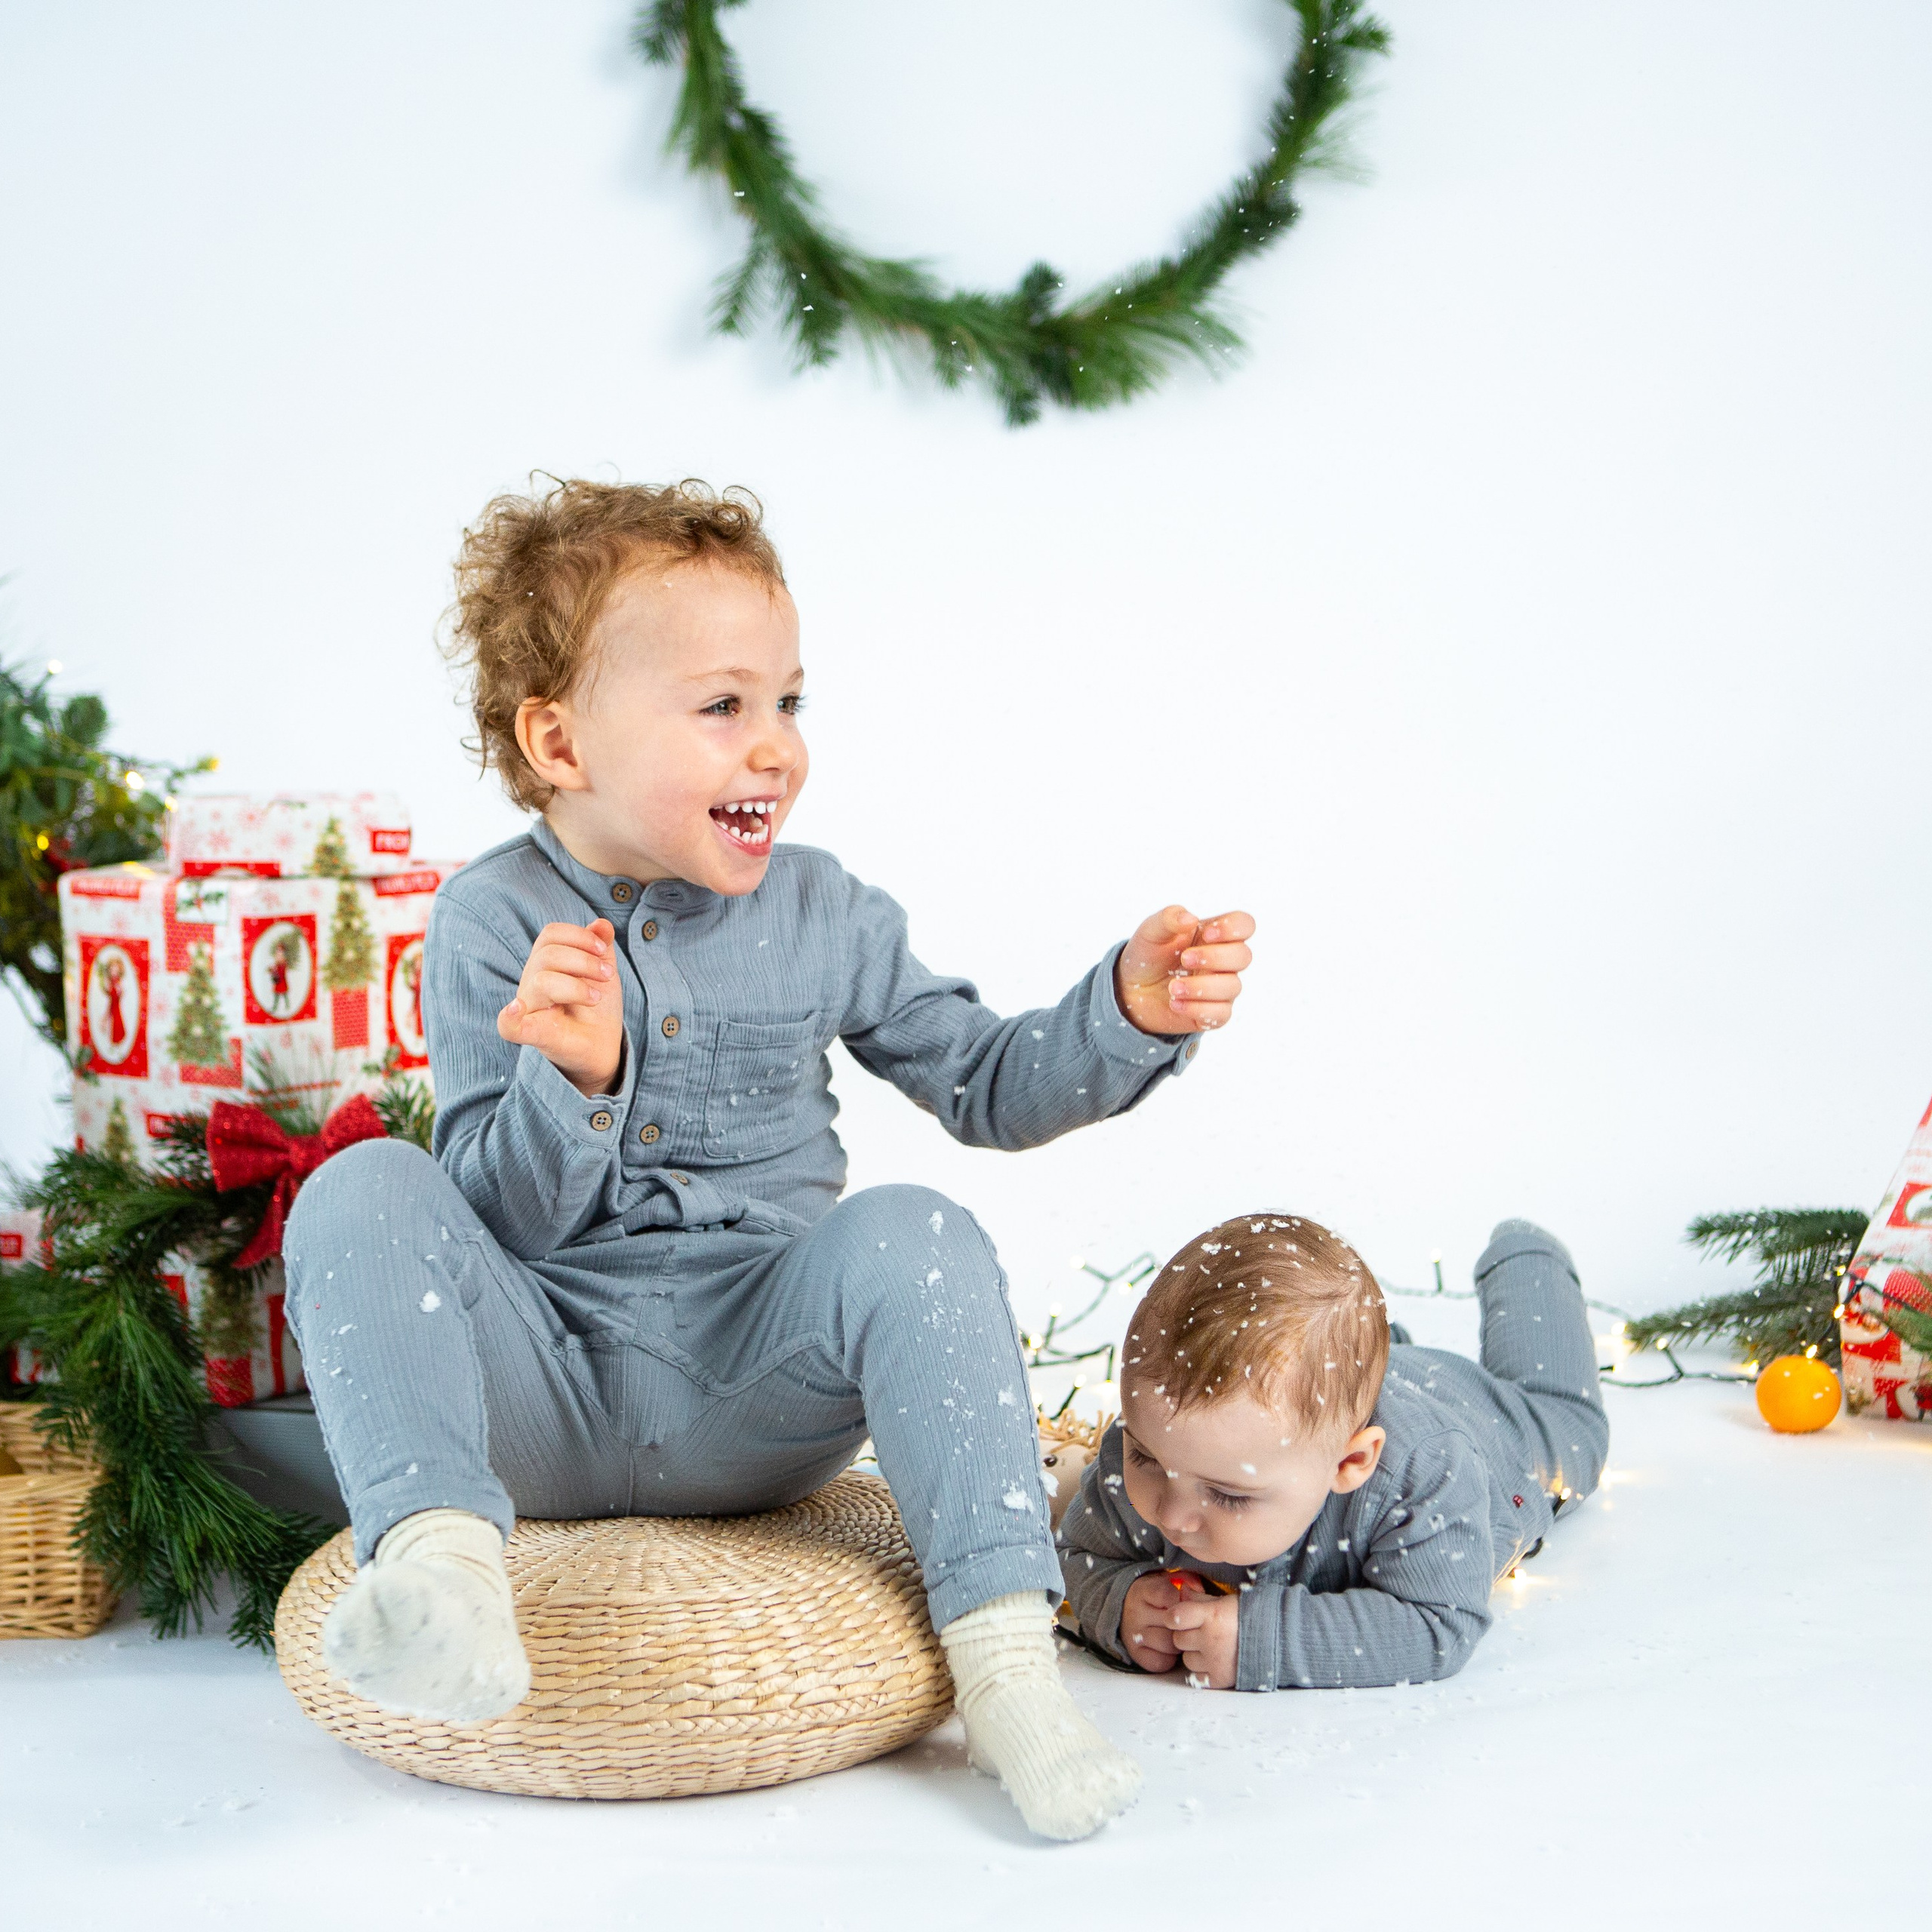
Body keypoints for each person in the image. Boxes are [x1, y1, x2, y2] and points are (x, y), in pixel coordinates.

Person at [282, 478, 1255, 1842]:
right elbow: (491, 1213)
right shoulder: (489, 920)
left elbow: (985, 1085)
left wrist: (1127, 1017)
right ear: (561, 740)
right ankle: (445, 1572)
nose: (776, 749)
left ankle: (1006, 1672)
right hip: (541, 1390)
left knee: (916, 1227)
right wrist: (575, 1083)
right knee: (362, 1186)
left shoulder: (824, 910)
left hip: (756, 1391)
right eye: (722, 707)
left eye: (788, 702)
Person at [1057, 1214, 1607, 1689]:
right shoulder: (1155, 1445)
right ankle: (1377, 1353)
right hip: (1324, 1406)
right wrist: (1120, 1599)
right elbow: (1075, 1553)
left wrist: (1260, 1640)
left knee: (1570, 1421)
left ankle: (1524, 1257)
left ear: (1349, 1464)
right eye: (1147, 1459)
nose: (1171, 1515)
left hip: (1494, 1430)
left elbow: (1438, 1622)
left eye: (1227, 1495)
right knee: (1328, 1380)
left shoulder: (1424, 1477)